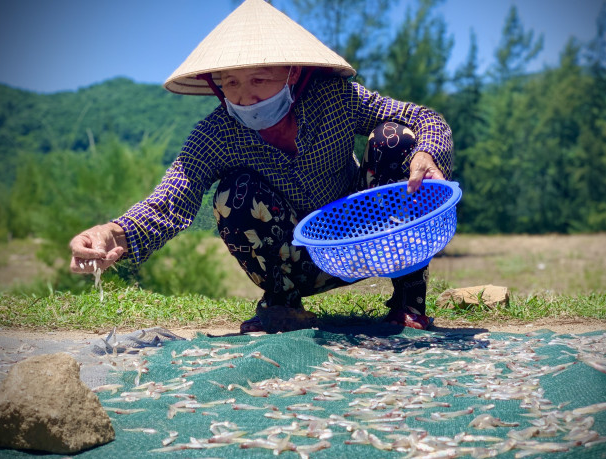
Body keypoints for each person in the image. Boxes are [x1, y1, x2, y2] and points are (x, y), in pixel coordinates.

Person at [69, 0, 452, 333]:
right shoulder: (216, 134)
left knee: (395, 138)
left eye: (259, 79)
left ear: (293, 73)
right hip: (296, 261)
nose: (244, 96)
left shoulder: (338, 98)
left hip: (370, 240)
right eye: (230, 82)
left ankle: (409, 300)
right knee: (232, 192)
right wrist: (113, 233)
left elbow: (423, 117)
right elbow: (172, 196)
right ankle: (283, 305)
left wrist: (428, 152)